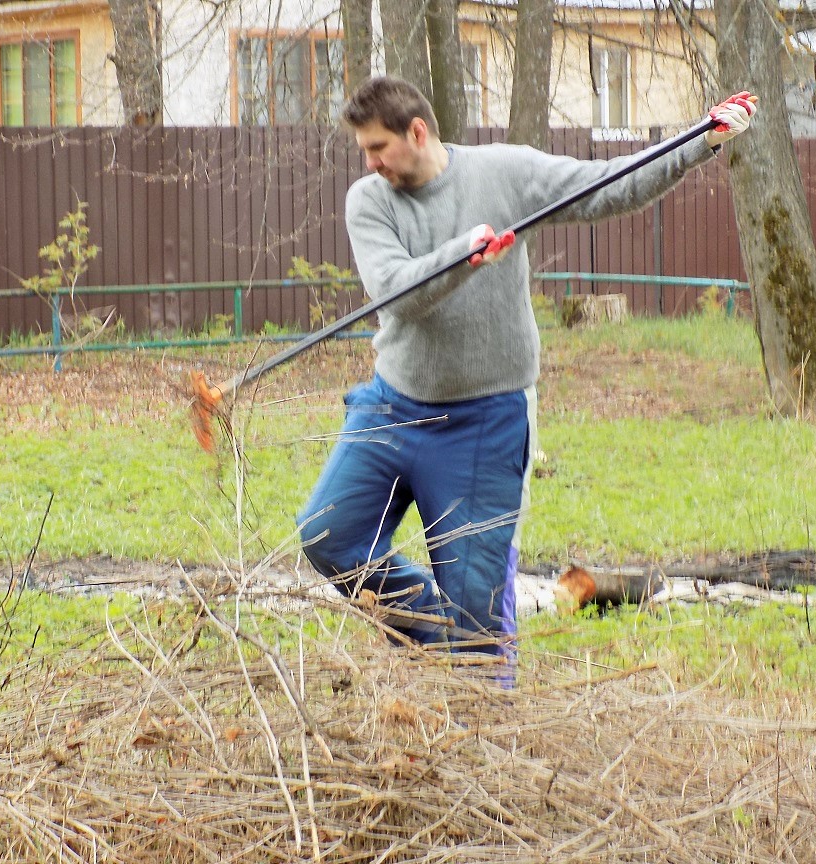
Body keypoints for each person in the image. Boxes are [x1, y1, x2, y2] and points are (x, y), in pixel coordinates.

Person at [296, 76, 756, 673]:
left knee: (478, 608)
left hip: (485, 423)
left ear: (417, 132)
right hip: (394, 408)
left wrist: (700, 141)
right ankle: (437, 634)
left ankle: (475, 668)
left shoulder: (504, 172)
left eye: (378, 147)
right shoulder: (370, 200)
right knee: (328, 534)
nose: (370, 162)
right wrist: (465, 254)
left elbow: (608, 185)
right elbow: (396, 294)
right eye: (364, 150)